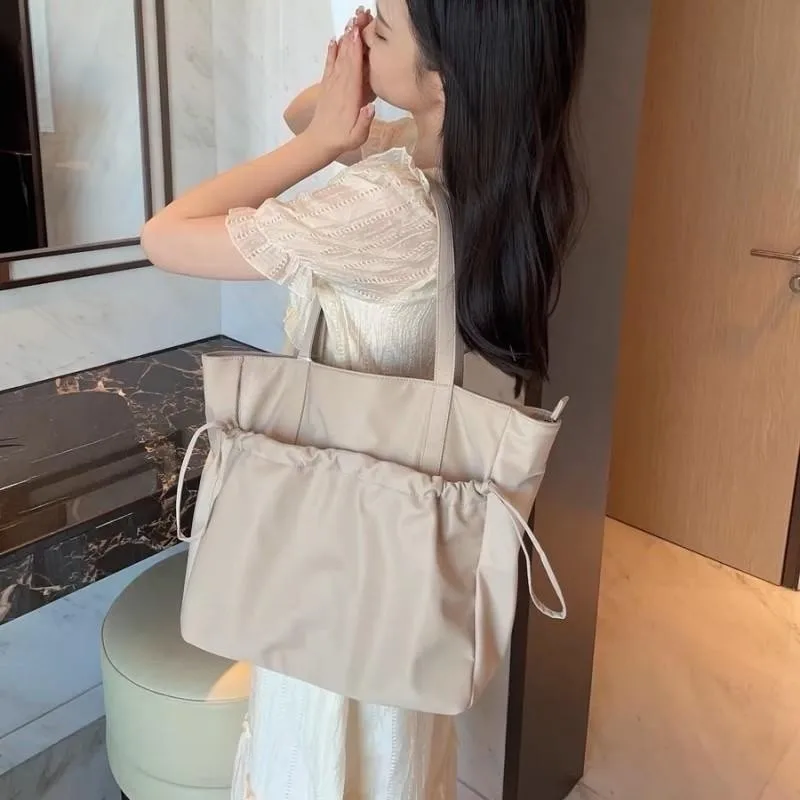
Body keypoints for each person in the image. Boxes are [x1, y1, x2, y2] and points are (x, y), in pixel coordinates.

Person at [141, 1, 586, 797]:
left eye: (383, 22)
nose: (364, 22)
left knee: (321, 758)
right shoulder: (468, 168)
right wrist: (341, 100)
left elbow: (165, 233)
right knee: (390, 754)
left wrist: (317, 147)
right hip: (394, 556)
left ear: (445, 76)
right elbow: (302, 110)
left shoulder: (390, 205)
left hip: (332, 558)